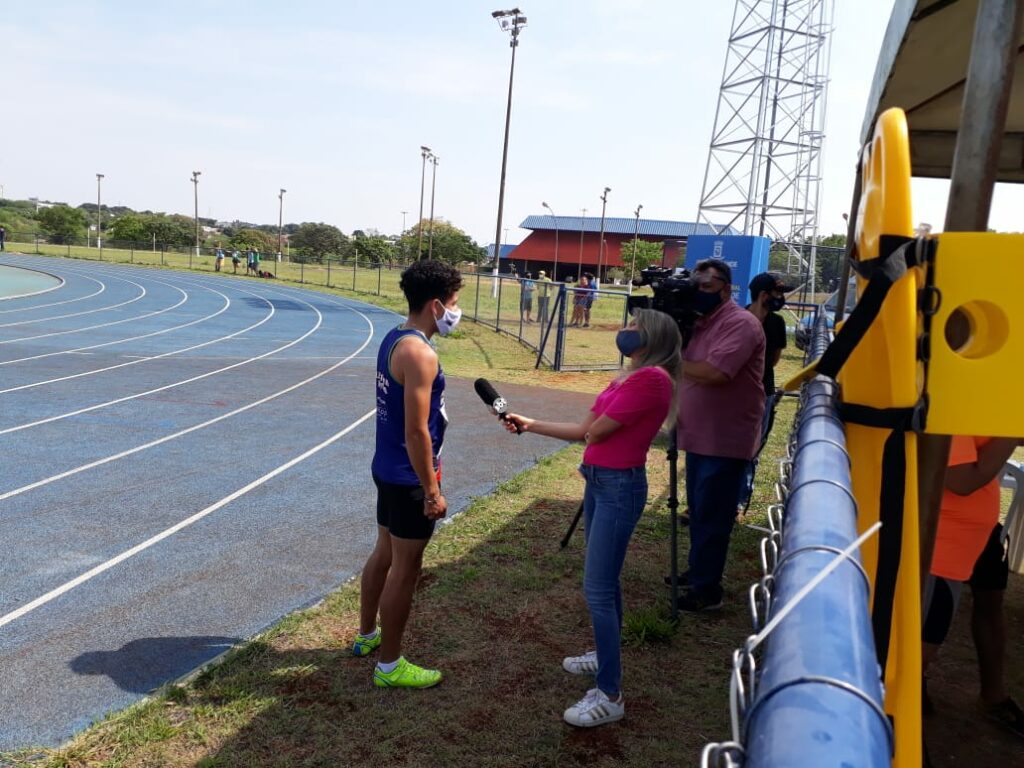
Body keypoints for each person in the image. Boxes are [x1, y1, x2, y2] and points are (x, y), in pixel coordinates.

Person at [501, 309, 681, 727]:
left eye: (635, 327)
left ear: (651, 337)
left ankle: (611, 693)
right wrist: (530, 425)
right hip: (600, 481)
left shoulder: (653, 379)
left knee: (597, 588)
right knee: (604, 582)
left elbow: (596, 432)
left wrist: (580, 428)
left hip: (619, 487)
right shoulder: (628, 377)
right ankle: (604, 656)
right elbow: (586, 426)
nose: (626, 331)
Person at [353, 259, 464, 689]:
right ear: (436, 305)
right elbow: (416, 429)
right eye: (454, 303)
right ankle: (390, 665)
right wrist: (431, 489)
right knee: (406, 566)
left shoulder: (394, 338)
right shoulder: (420, 352)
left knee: (384, 551)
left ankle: (367, 637)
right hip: (408, 479)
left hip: (388, 469)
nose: (456, 312)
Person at [676, 258, 765, 611]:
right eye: (695, 286)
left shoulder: (740, 324)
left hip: (725, 439)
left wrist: (668, 359)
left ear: (727, 289)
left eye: (707, 288)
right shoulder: (699, 322)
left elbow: (715, 373)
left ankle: (706, 590)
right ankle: (698, 571)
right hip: (698, 434)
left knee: (713, 515)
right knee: (699, 510)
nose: (700, 294)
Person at [922, 435, 1024, 738]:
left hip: (960, 549)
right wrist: (1012, 431)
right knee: (912, 655)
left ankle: (993, 696)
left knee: (988, 602)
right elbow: (963, 480)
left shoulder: (988, 399)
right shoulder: (952, 404)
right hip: (938, 552)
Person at [746, 272, 792, 396]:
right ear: (763, 295)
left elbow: (774, 360)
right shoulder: (737, 321)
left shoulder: (777, 322)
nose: (781, 297)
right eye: (777, 293)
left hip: (764, 388)